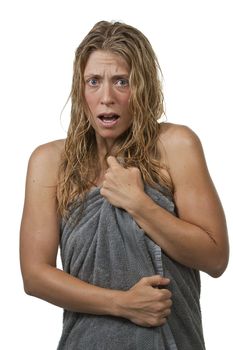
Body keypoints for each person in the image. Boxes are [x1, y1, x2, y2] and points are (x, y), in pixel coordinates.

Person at [20, 21, 229, 350]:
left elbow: (216, 257)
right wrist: (123, 304)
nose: (107, 97)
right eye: (94, 82)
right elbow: (35, 275)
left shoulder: (177, 145)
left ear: (142, 86)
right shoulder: (49, 162)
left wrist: (139, 203)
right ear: (80, 89)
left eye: (122, 81)